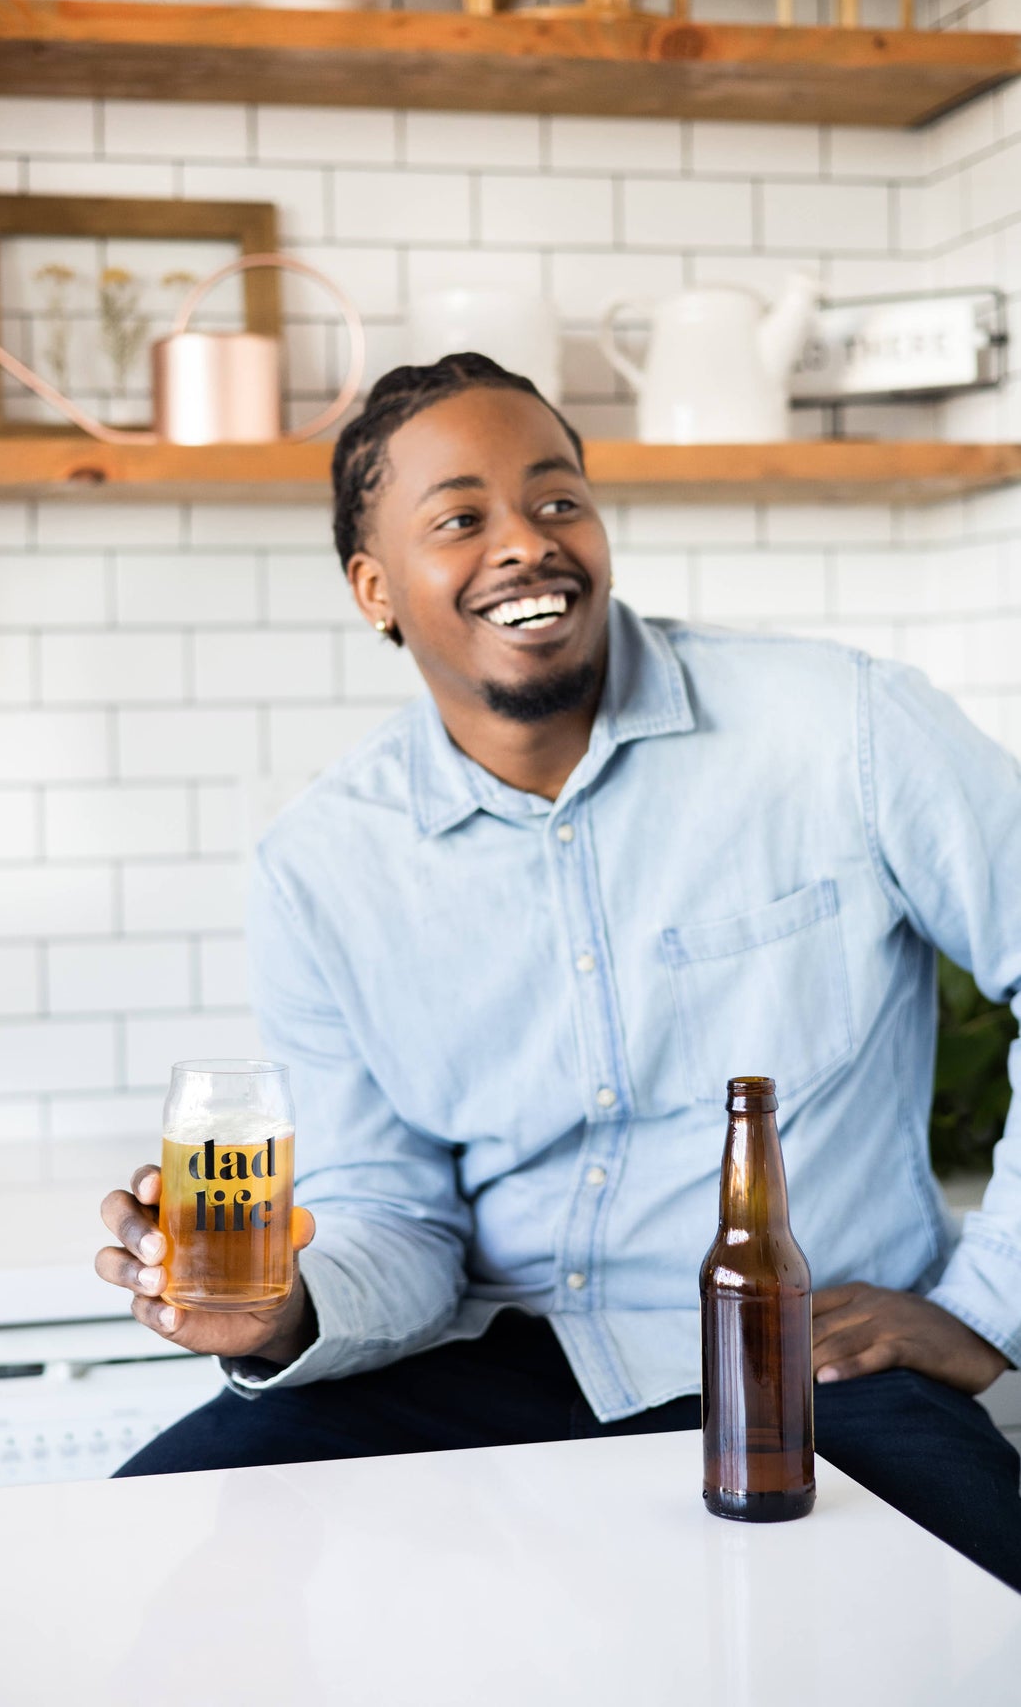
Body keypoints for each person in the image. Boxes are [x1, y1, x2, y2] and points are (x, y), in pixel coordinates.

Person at [97, 354, 1021, 1590]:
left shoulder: (840, 727)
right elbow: (397, 1211)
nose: (524, 542)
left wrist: (983, 1306)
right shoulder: (321, 865)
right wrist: (285, 1314)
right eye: (459, 518)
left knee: (966, 1615)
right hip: (480, 1366)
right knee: (142, 1560)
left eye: (556, 499)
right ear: (375, 588)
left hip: (806, 1366)